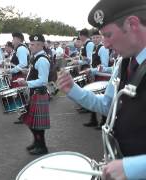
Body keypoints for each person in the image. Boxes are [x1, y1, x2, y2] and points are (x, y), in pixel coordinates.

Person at [57, 0, 146, 179]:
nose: (104, 44)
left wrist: (133, 168)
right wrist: (73, 90)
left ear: (133, 24)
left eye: (108, 35)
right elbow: (108, 106)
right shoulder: (124, 62)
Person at [15, 34, 50, 155]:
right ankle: (36, 142)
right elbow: (35, 73)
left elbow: (43, 81)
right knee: (31, 122)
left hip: (39, 94)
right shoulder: (36, 57)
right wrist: (26, 73)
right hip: (34, 94)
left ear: (40, 45)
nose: (30, 47)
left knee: (37, 125)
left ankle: (42, 146)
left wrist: (26, 82)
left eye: (33, 45)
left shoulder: (42, 60)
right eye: (30, 44)